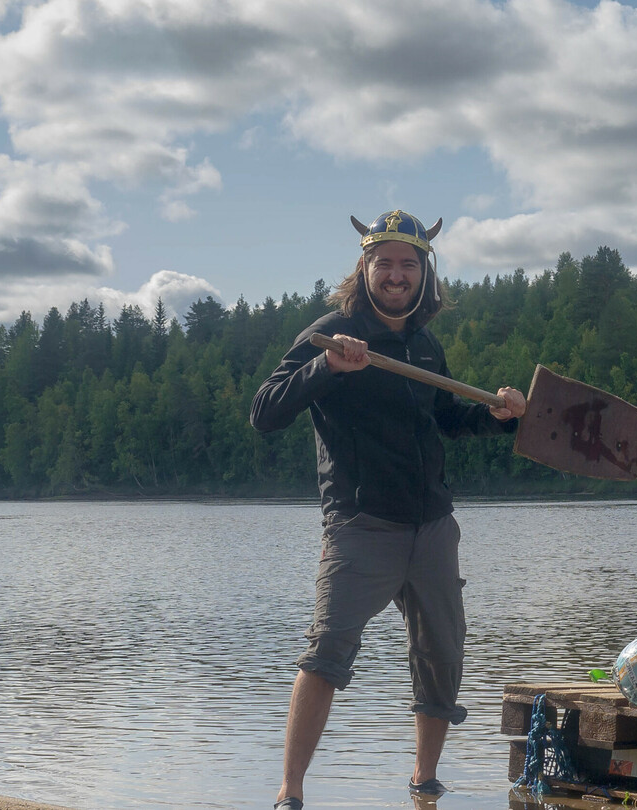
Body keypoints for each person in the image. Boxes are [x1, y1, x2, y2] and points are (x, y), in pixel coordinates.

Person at [251, 210, 527, 809]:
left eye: (408, 264)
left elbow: (446, 420)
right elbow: (265, 410)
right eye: (385, 263)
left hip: (431, 526)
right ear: (365, 267)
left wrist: (498, 416)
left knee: (442, 658)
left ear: (425, 272)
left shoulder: (425, 346)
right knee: (327, 653)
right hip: (361, 525)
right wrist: (327, 366)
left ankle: (424, 785)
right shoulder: (330, 332)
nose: (396, 274)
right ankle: (290, 794)